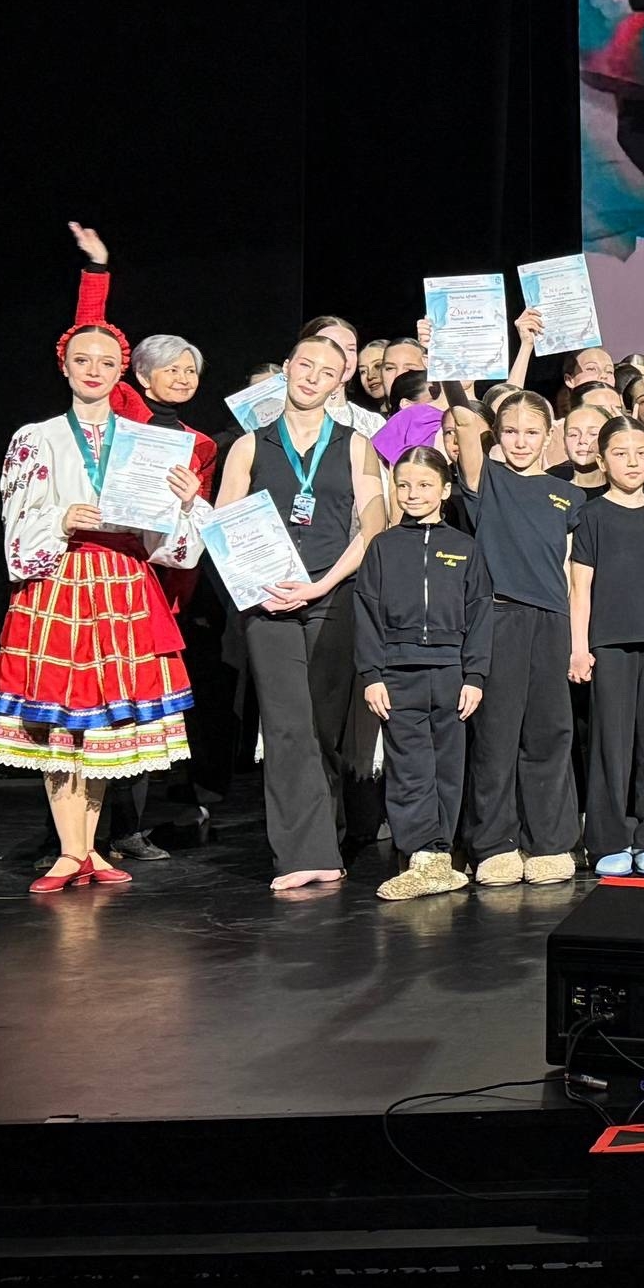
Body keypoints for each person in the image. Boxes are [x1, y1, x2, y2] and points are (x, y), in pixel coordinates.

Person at [0, 320, 206, 890]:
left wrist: (185, 504)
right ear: (64, 366)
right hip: (61, 580)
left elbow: (168, 544)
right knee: (63, 721)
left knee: (104, 725)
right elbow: (15, 523)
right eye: (82, 360)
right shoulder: (37, 437)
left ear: (121, 372)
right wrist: (60, 519)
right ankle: (69, 850)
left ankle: (90, 849)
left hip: (123, 583)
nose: (94, 370)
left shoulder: (145, 442)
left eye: (106, 362)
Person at [215, 330, 390, 890]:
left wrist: (322, 585)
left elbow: (374, 527)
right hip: (268, 601)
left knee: (322, 728)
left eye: (326, 371)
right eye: (304, 365)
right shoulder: (249, 446)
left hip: (332, 596)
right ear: (287, 368)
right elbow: (224, 526)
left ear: (341, 380)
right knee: (286, 725)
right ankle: (304, 854)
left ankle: (326, 834)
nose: (312, 377)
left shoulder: (357, 445)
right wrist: (257, 584)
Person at [443, 386, 585, 885]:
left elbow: (573, 573)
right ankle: (494, 844)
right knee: (497, 734)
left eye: (531, 432)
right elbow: (463, 422)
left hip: (551, 621)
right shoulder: (487, 479)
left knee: (549, 731)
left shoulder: (570, 496)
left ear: (549, 436)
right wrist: (454, 372)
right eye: (510, 431)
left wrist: (577, 640)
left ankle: (549, 841)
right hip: (498, 618)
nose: (521, 441)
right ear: (496, 435)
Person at [355, 447, 492, 900]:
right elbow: (367, 613)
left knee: (448, 767)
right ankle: (418, 854)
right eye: (404, 485)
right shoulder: (383, 547)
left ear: (445, 490)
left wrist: (475, 676)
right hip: (399, 675)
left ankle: (440, 854)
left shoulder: (465, 547)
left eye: (424, 485)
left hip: (452, 675)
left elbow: (480, 613)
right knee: (409, 766)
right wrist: (372, 674)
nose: (413, 494)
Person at [570, 416, 644, 877]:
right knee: (611, 744)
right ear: (602, 461)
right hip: (610, 644)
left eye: (642, 452)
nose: (633, 462)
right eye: (621, 454)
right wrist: (578, 646)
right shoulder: (591, 516)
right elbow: (580, 588)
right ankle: (609, 840)